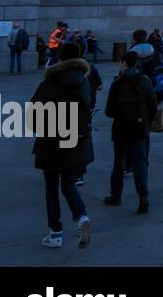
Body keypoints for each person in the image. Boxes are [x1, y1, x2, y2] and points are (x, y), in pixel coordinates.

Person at [30, 49, 94, 248]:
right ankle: (81, 217)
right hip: (76, 141)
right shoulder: (83, 83)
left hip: (51, 142)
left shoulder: (49, 83)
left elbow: (34, 115)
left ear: (60, 60)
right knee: (69, 184)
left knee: (51, 187)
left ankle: (55, 233)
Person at [102, 49, 156, 213]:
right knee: (140, 164)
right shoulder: (145, 81)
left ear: (124, 64)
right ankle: (143, 198)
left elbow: (109, 111)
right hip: (140, 129)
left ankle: (116, 196)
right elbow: (153, 107)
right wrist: (146, 123)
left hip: (121, 128)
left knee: (119, 163)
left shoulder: (117, 83)